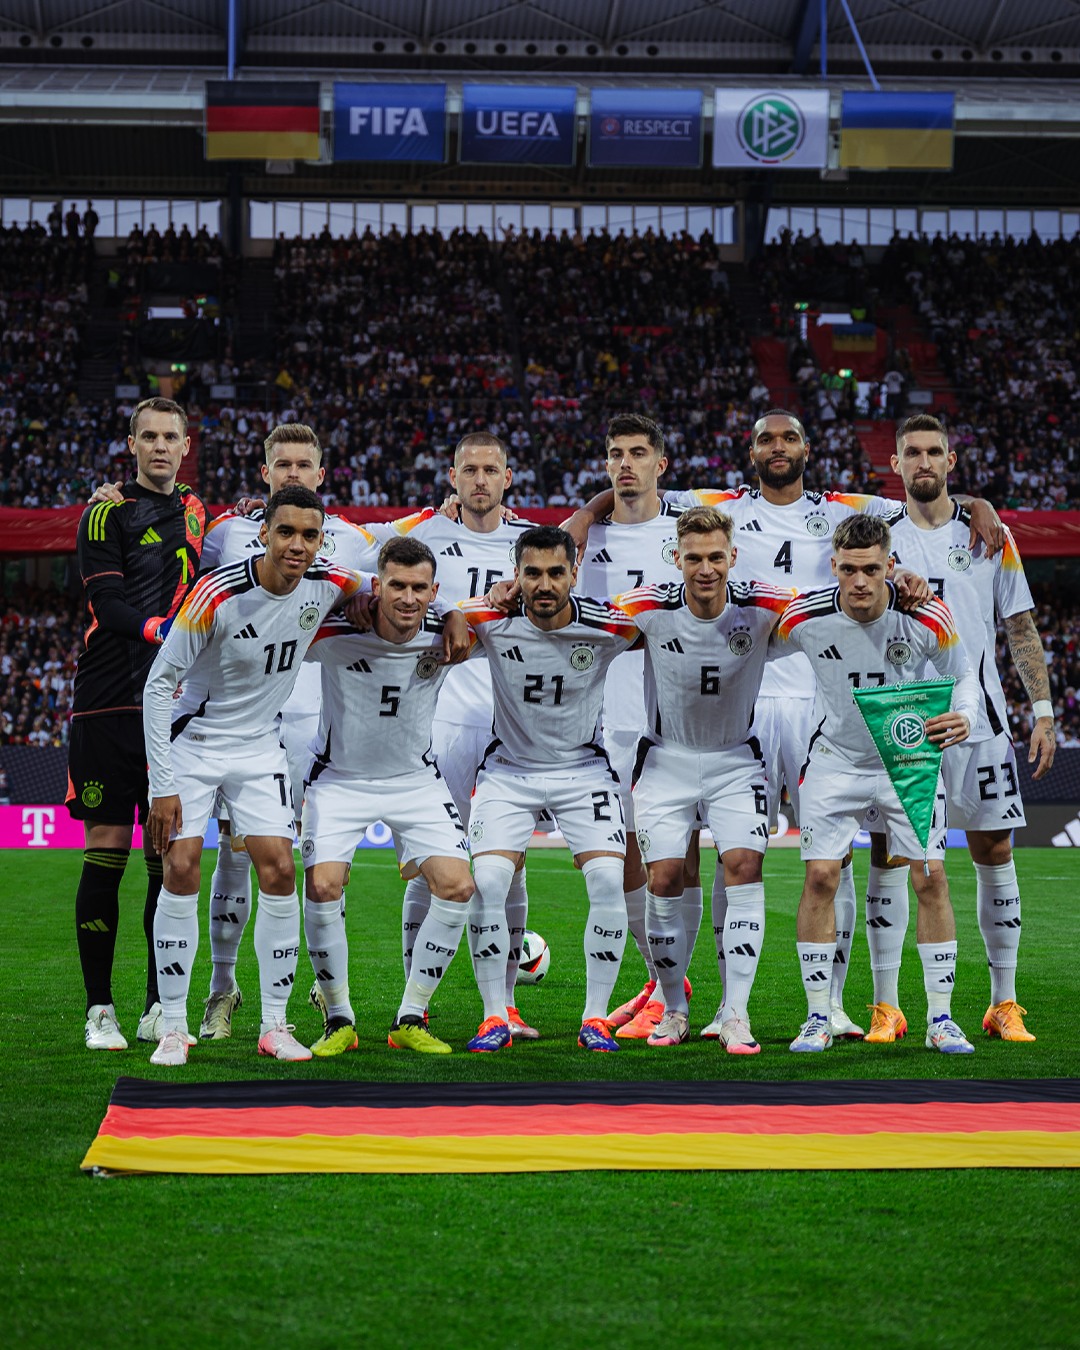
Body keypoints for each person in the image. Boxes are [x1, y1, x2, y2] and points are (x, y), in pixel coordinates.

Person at [140, 486, 368, 1067]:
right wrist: (162, 784)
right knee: (181, 867)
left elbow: (383, 588)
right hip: (196, 744)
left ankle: (273, 1024)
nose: (297, 545)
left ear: (321, 540)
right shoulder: (216, 593)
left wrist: (452, 615)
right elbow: (159, 686)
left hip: (260, 745)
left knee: (280, 870)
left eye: (310, 535)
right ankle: (172, 1026)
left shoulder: (330, 583)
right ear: (263, 533)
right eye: (285, 532)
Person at [861, 414, 1057, 1044]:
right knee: (892, 858)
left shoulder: (991, 537)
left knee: (994, 851)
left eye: (934, 452)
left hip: (981, 720)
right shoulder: (876, 533)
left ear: (951, 461)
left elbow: (1020, 627)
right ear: (895, 464)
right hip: (903, 721)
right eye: (911, 452)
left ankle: (1004, 1003)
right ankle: (887, 1005)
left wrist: (1044, 711)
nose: (923, 461)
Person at [193, 423, 380, 1039]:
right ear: (265, 471)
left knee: (322, 861)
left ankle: (330, 991)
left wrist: (455, 505)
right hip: (241, 717)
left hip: (317, 716)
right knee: (236, 852)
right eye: (283, 465)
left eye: (304, 465)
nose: (293, 473)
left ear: (321, 475)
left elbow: (407, 559)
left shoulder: (354, 540)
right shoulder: (225, 533)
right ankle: (223, 989)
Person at [775, 513, 981, 1055]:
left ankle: (941, 1019)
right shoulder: (805, 616)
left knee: (930, 877)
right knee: (820, 877)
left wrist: (966, 716)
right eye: (849, 569)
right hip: (835, 759)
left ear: (891, 565)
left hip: (907, 758)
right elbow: (749, 641)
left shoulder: (926, 614)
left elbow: (963, 674)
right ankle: (818, 1015)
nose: (860, 581)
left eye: (871, 569)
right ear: (834, 567)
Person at [614, 508, 792, 1050]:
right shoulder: (647, 607)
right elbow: (585, 621)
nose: (706, 568)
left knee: (744, 868)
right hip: (665, 760)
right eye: (694, 558)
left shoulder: (765, 605)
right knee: (665, 878)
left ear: (732, 557)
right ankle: (674, 1008)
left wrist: (901, 583)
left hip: (736, 760)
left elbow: (834, 605)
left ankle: (735, 1012)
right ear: (677, 559)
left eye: (716, 557)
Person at [461, 526, 640, 1053]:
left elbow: (666, 620)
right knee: (488, 881)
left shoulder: (608, 625)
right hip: (509, 771)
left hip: (584, 771)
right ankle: (494, 1016)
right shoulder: (492, 622)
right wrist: (484, 598)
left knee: (608, 880)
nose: (544, 584)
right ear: (515, 575)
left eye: (556, 573)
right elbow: (445, 615)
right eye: (532, 573)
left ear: (574, 574)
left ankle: (595, 1018)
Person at [387, 432, 539, 1039]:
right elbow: (360, 560)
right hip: (441, 718)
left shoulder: (529, 545)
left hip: (510, 721)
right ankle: (414, 1004)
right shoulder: (423, 537)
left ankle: (504, 1005)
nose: (480, 480)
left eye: (490, 470)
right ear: (452, 476)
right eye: (469, 470)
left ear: (508, 477)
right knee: (429, 863)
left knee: (511, 866)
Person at [300, 536, 474, 1055]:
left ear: (434, 591)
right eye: (396, 586)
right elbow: (291, 602)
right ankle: (338, 1019)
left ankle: (411, 1017)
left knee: (458, 886)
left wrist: (456, 613)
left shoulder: (445, 636)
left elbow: (508, 611)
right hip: (339, 779)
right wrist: (345, 595)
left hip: (415, 780)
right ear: (377, 586)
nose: (408, 598)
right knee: (323, 886)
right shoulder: (335, 632)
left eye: (420, 588)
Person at [69, 396, 205, 1051]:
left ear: (185, 446)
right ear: (132, 444)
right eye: (148, 436)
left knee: (166, 857)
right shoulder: (105, 512)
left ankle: (158, 1005)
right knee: (107, 846)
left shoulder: (198, 511)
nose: (159, 446)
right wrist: (162, 631)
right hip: (106, 703)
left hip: (170, 709)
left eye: (169, 436)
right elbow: (107, 601)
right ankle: (100, 1010)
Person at [571, 412, 700, 1042]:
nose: (627, 463)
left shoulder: (688, 527)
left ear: (661, 464)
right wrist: (584, 515)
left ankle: (676, 988)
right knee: (621, 852)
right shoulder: (582, 540)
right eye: (616, 453)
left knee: (680, 854)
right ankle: (659, 981)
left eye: (639, 453)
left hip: (672, 716)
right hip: (603, 716)